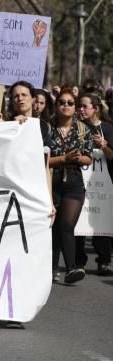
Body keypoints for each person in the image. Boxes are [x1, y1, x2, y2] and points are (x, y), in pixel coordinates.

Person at [47, 89, 93, 285]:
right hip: (50, 180)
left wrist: (76, 158)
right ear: (56, 106)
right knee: (53, 227)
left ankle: (71, 268)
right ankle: (51, 268)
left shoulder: (83, 130)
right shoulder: (47, 129)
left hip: (74, 181)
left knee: (66, 225)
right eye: (61, 102)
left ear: (74, 108)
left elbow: (88, 157)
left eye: (70, 103)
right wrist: (63, 158)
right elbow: (43, 159)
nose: (66, 105)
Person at [76, 92, 113, 276]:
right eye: (79, 106)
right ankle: (78, 262)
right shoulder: (76, 128)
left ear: (95, 109)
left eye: (85, 106)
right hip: (79, 181)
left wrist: (104, 145)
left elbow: (112, 156)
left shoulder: (107, 128)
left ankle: (103, 260)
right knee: (79, 220)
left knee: (100, 221)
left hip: (102, 185)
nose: (81, 110)